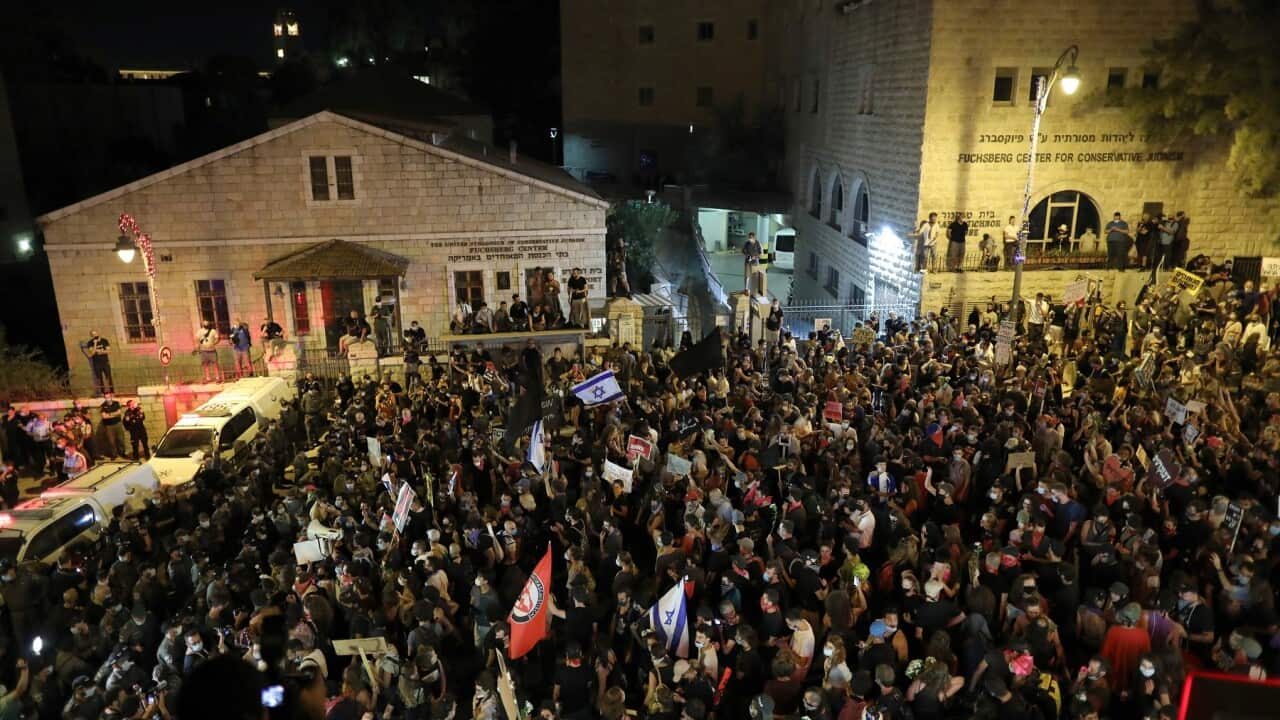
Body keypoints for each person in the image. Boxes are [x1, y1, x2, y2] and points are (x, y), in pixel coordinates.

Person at [98, 391, 127, 459]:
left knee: (121, 439)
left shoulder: (116, 403)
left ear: (111, 397)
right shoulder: (103, 406)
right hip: (109, 426)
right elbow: (104, 416)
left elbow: (119, 413)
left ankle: (122, 453)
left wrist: (109, 414)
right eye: (106, 397)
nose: (107, 398)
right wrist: (114, 414)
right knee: (111, 441)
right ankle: (114, 454)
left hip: (118, 424)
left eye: (108, 397)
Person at [85, 330, 114, 396]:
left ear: (98, 333)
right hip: (96, 363)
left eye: (95, 334)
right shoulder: (90, 343)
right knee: (99, 378)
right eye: (93, 334)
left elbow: (109, 351)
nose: (95, 335)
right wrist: (95, 344)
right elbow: (92, 353)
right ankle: (103, 392)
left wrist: (101, 352)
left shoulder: (104, 341)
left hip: (105, 362)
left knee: (108, 377)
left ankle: (112, 392)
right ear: (91, 336)